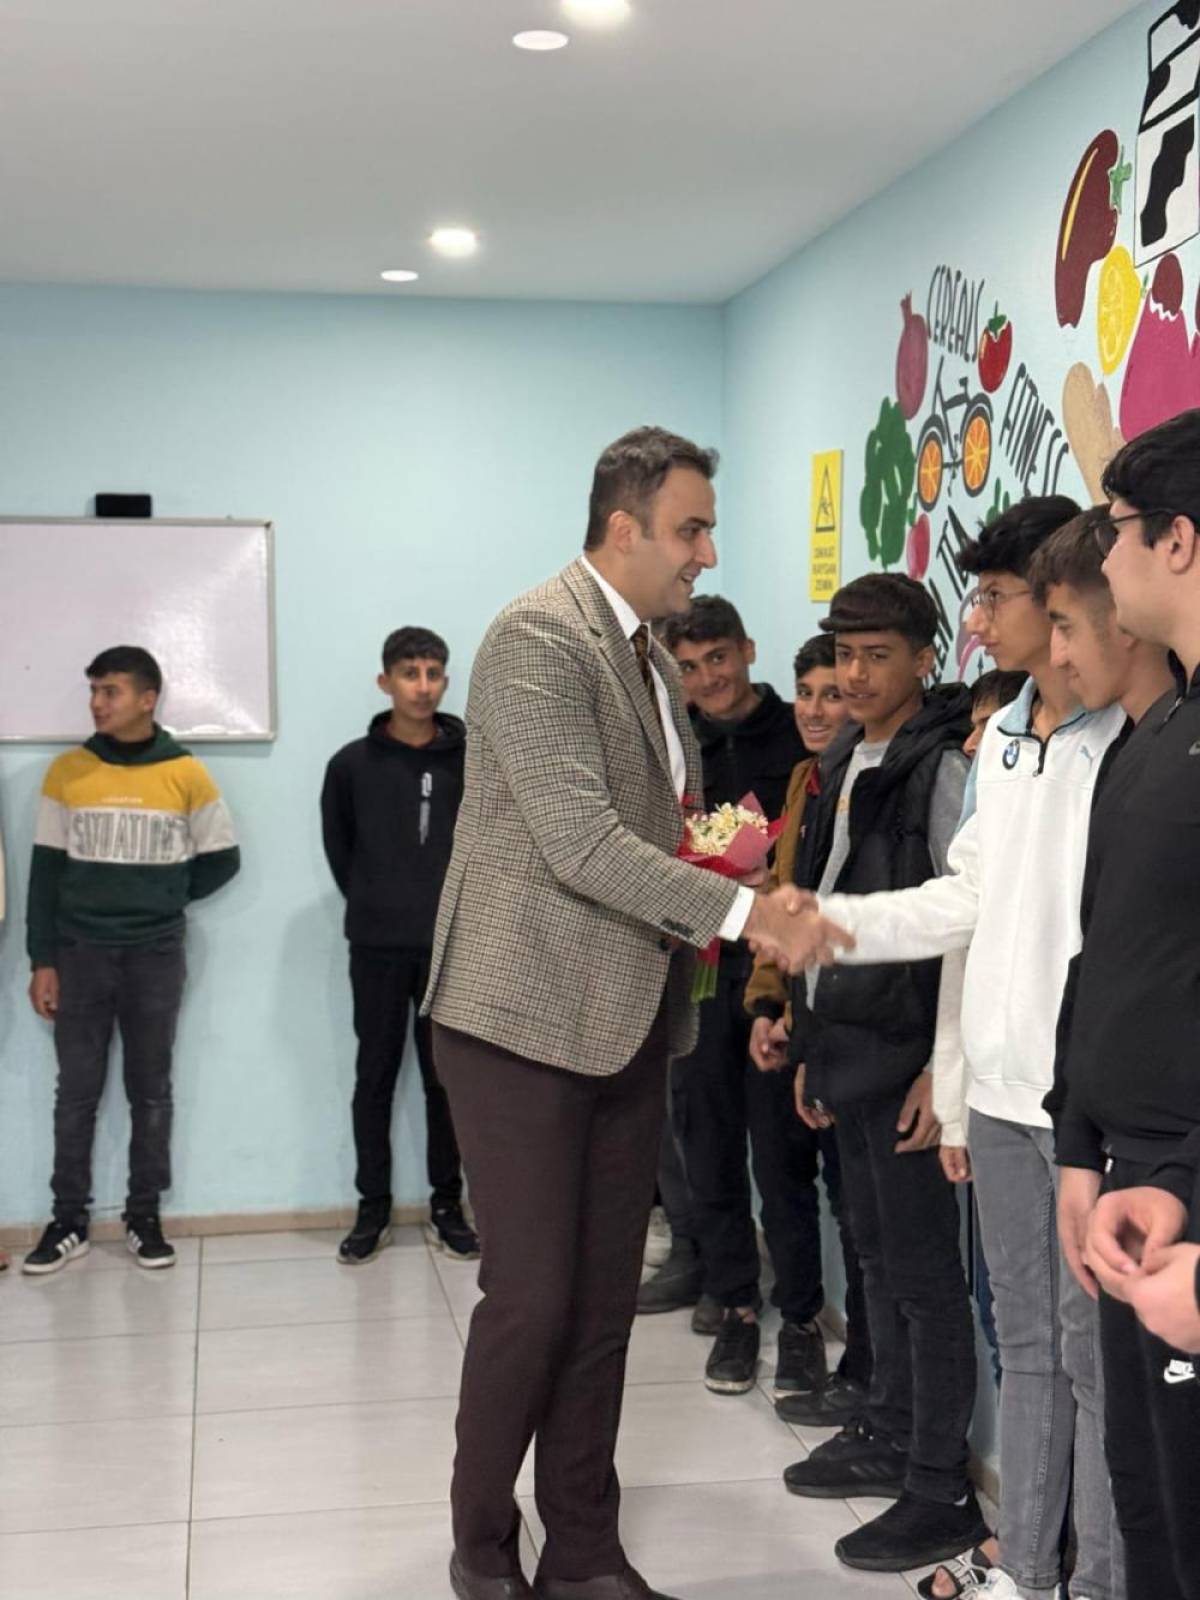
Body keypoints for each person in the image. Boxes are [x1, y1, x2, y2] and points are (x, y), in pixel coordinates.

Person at [422, 425, 850, 1600]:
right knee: (535, 1297)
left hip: (628, 1014)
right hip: (516, 1015)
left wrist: (724, 861)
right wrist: (746, 910)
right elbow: (579, 843)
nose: (706, 553)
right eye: (691, 529)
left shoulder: (653, 659)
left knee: (605, 1301)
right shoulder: (536, 638)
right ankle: (481, 1545)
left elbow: (651, 831)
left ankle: (585, 1549)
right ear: (624, 527)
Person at [809, 499, 1129, 1600]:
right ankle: (1026, 1571)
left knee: (1096, 1364)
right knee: (1027, 1349)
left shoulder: (1129, 735)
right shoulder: (1001, 739)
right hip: (997, 1097)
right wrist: (832, 929)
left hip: (1086, 1108)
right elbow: (967, 911)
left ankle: (1099, 1581)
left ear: (1064, 599)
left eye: (994, 599)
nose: (979, 623)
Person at [777, 574, 985, 1576]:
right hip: (845, 1048)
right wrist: (806, 1041)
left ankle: (940, 1483)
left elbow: (962, 923)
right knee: (873, 1257)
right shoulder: (841, 758)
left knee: (924, 1277)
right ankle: (890, 1427)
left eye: (876, 656)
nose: (855, 675)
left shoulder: (940, 767)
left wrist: (943, 1071)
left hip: (906, 1060)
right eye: (843, 656)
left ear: (922, 659)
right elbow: (822, 904)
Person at [1048, 410, 1200, 1598]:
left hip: (1189, 1196)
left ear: (1179, 542)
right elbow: (1104, 962)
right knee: (1147, 1507)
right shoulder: (1155, 740)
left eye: (1116, 531)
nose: (1103, 559)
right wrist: (1079, 1144)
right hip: (1141, 1188)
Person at [643, 595, 816, 1399]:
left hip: (780, 965)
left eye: (718, 658)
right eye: (689, 667)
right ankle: (733, 1299)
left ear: (747, 650)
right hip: (702, 965)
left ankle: (801, 1316)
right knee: (705, 1135)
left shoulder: (799, 737)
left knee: (781, 1148)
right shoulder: (674, 746)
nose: (708, 678)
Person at [22, 646, 239, 1274]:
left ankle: (145, 1216)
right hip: (80, 954)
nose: (97, 703)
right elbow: (44, 876)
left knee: (151, 1090)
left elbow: (223, 858)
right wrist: (42, 960)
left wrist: (164, 895)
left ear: (148, 699)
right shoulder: (68, 772)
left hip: (155, 953)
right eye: (93, 690)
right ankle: (68, 1220)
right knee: (75, 1093)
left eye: (110, 691)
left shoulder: (185, 773)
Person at [743, 632, 873, 1424]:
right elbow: (783, 901)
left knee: (858, 1210)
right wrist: (767, 1007)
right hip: (794, 1017)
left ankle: (866, 1373)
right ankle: (801, 1331)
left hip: (845, 1028)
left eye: (834, 693)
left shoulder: (869, 779)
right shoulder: (804, 779)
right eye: (809, 693)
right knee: (781, 1176)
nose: (819, 709)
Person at [321, 626, 477, 1266]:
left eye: (434, 673)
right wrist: (379, 902)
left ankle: (448, 1206)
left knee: (449, 1082)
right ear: (385, 682)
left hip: (453, 949)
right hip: (378, 946)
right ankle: (373, 1207)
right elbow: (342, 852)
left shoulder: (472, 760)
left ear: (446, 681)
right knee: (375, 1077)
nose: (423, 686)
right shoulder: (350, 765)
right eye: (410, 673)